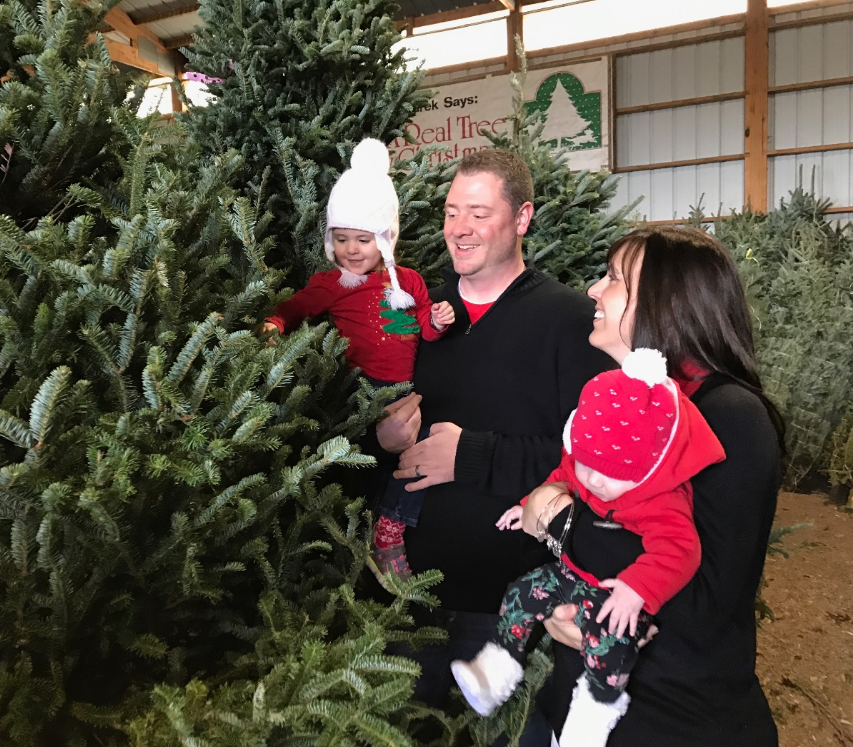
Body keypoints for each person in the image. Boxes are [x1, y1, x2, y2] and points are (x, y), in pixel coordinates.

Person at [374, 148, 613, 744]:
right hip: (410, 595)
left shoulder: (570, 322)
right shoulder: (420, 316)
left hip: (511, 610)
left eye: (479, 213)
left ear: (522, 218)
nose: (460, 229)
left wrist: (472, 455)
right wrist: (380, 438)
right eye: (452, 212)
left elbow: (593, 461)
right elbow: (365, 399)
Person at [526, 226, 784, 747]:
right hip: (578, 705)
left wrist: (557, 520)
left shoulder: (729, 417)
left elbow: (704, 601)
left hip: (672, 721)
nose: (594, 290)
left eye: (615, 280)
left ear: (669, 303)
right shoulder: (618, 403)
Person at [450, 347, 725, 747]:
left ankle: (596, 710)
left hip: (615, 598)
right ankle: (499, 666)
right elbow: (565, 476)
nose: (593, 481)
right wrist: (527, 504)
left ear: (649, 469)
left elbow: (681, 549)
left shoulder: (660, 500)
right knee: (521, 593)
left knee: (609, 646)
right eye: (586, 464)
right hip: (570, 578)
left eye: (609, 475)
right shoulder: (590, 466)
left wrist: (638, 589)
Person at [263, 138, 455, 586]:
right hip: (362, 387)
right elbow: (298, 306)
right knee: (372, 460)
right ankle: (354, 536)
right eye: (342, 238)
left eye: (363, 239)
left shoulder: (407, 282)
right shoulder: (335, 283)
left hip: (405, 389)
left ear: (386, 238)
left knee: (416, 454)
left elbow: (424, 328)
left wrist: (439, 321)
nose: (352, 248)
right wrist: (274, 321)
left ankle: (390, 530)